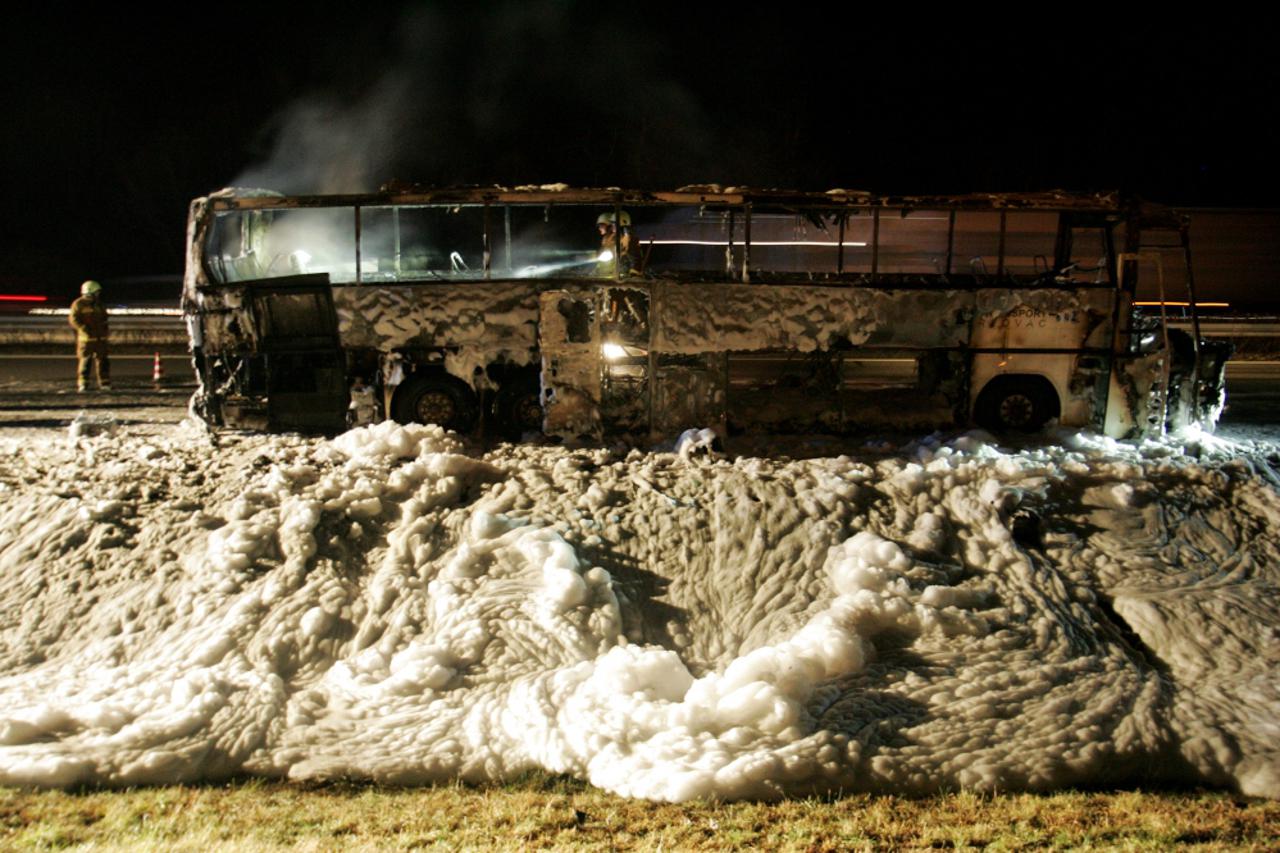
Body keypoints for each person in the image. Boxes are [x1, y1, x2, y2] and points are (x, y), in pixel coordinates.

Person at [69, 280, 110, 392]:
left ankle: (104, 383)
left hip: (100, 339)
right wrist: (84, 329)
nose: (98, 294)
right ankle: (83, 383)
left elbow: (105, 318)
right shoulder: (78, 304)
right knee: (85, 361)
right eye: (97, 292)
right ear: (90, 292)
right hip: (86, 340)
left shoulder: (99, 304)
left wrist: (105, 331)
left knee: (103, 361)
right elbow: (74, 320)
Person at [595, 210, 641, 277]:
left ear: (621, 224)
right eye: (612, 224)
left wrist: (634, 273)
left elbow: (634, 258)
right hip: (612, 273)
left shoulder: (628, 239)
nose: (612, 226)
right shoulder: (611, 238)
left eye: (614, 224)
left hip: (622, 274)